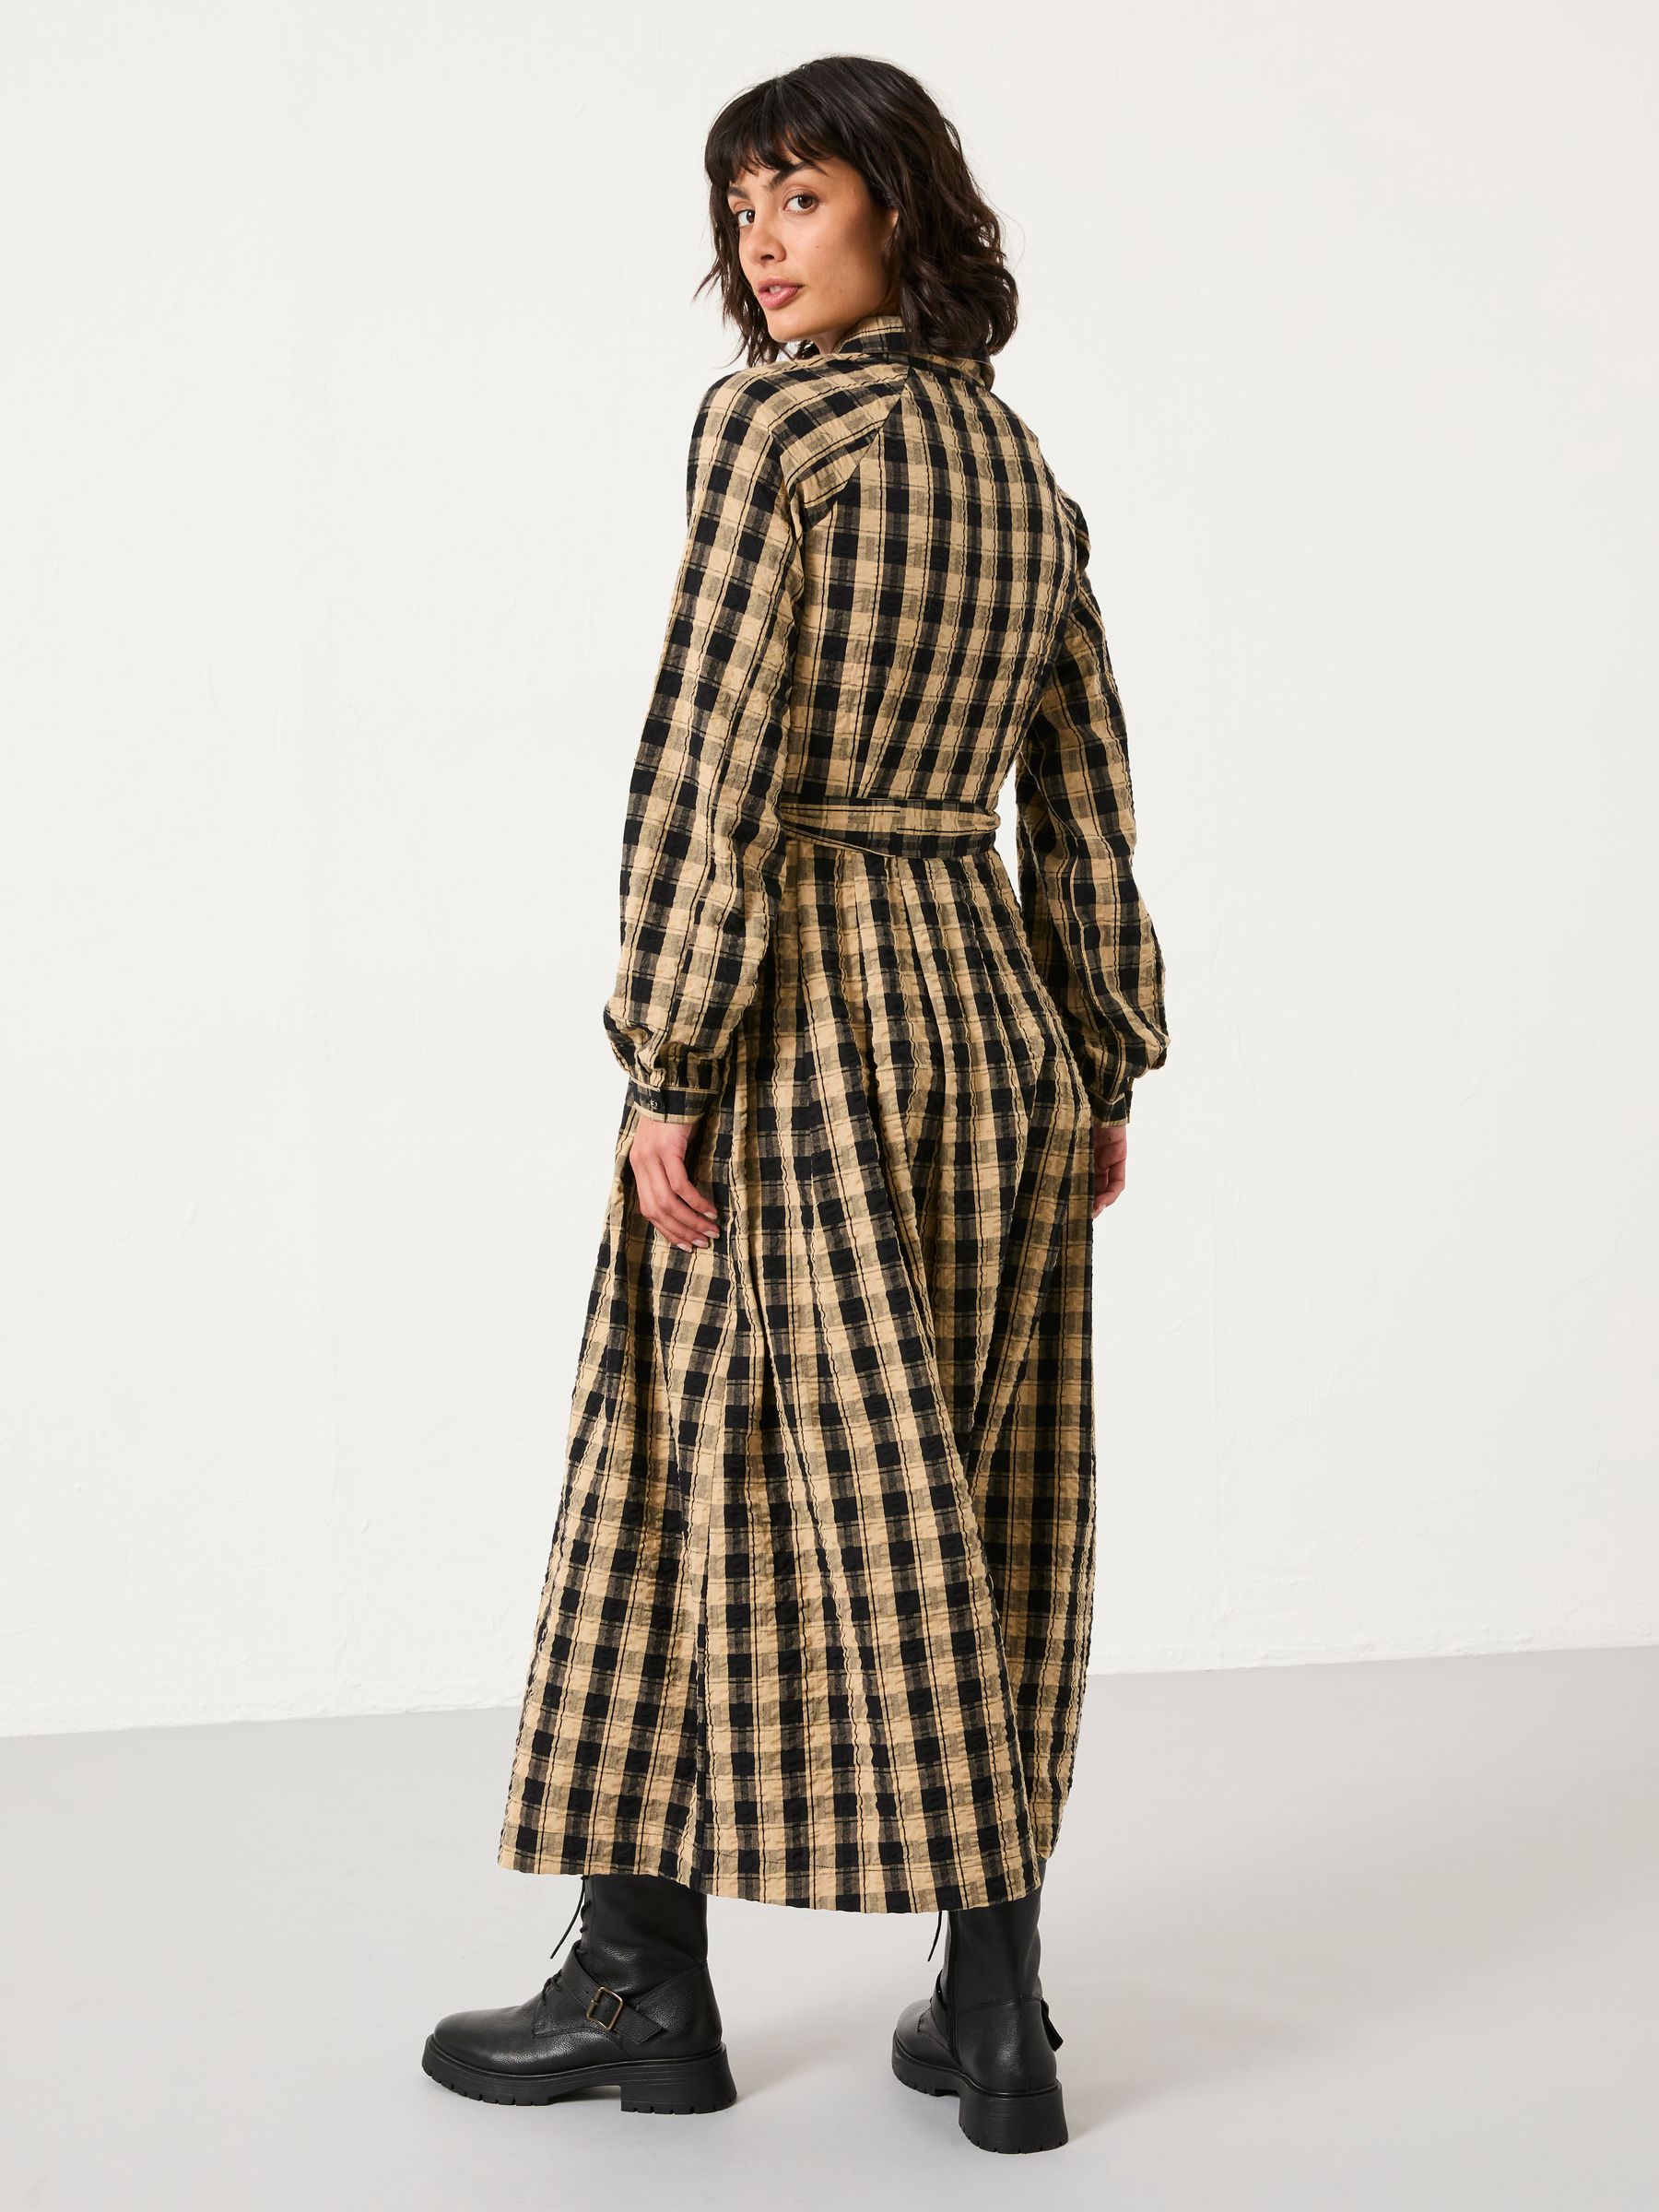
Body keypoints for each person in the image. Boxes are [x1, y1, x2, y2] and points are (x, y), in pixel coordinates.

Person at [421, 54, 1170, 2155]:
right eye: (739, 203)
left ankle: (639, 1985)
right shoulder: (1023, 472)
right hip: (990, 1021)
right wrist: (1100, 1048)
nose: (759, 241)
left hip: (807, 1008)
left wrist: (669, 1055)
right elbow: (1086, 783)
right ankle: (996, 2018)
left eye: (801, 195)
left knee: (677, 1462)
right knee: (981, 1486)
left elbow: (711, 746)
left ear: (900, 210)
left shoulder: (774, 428)